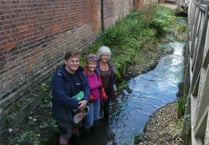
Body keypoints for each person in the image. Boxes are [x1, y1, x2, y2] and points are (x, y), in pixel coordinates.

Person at [51, 51, 90, 145]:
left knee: (77, 124)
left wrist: (85, 99)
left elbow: (86, 87)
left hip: (79, 108)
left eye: (77, 61)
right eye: (72, 61)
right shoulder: (58, 77)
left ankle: (75, 133)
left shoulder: (80, 72)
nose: (75, 63)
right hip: (63, 112)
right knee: (65, 135)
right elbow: (60, 97)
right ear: (66, 62)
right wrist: (78, 104)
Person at [82, 54, 107, 132]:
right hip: (89, 100)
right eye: (90, 64)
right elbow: (81, 88)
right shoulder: (83, 74)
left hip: (98, 98)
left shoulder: (97, 71)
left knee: (96, 118)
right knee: (90, 122)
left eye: (94, 64)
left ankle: (92, 132)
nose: (92, 66)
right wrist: (88, 96)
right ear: (87, 64)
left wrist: (103, 92)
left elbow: (100, 83)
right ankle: (85, 131)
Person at [97, 46, 117, 120]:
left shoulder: (110, 66)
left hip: (108, 91)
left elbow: (113, 79)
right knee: (98, 108)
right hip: (98, 91)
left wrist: (115, 89)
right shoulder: (96, 66)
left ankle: (106, 123)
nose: (105, 57)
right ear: (100, 56)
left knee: (106, 108)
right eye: (103, 55)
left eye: (107, 55)